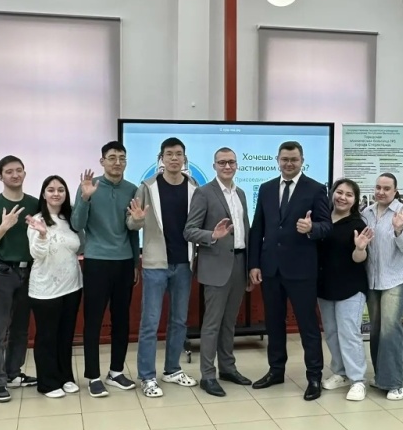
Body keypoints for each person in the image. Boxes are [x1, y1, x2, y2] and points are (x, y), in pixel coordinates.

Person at [249, 141, 332, 401]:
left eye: (294, 159)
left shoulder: (316, 189)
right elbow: (257, 228)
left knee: (308, 326)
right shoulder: (266, 188)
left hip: (302, 269)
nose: (289, 163)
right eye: (284, 159)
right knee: (274, 323)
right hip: (271, 269)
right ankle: (276, 371)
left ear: (302, 161)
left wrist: (312, 229)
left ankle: (314, 376)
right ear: (277, 160)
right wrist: (254, 264)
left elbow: (326, 226)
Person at [127, 138, 199, 398]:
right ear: (162, 158)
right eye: (169, 154)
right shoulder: (147, 187)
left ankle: (172, 369)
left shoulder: (193, 186)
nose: (174, 158)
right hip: (156, 264)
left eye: (179, 154)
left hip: (184, 263)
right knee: (150, 322)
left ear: (184, 158)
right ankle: (147, 376)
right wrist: (137, 220)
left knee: (179, 321)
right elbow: (132, 224)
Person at [184, 148, 253, 398]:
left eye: (231, 162)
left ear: (237, 165)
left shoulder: (241, 193)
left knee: (229, 322)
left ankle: (227, 368)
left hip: (239, 264)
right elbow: (189, 230)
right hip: (215, 267)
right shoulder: (204, 193)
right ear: (214, 166)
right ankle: (208, 375)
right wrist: (212, 235)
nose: (227, 166)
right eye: (222, 162)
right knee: (212, 324)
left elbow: (245, 229)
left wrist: (250, 266)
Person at [72, 141, 139, 397]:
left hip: (124, 262)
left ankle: (116, 372)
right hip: (97, 261)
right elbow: (77, 223)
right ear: (102, 161)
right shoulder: (89, 187)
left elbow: (132, 230)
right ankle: (92, 375)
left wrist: (135, 263)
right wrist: (85, 198)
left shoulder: (132, 189)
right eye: (112, 157)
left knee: (122, 319)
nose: (117, 162)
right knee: (93, 319)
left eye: (122, 157)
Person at [0, 156, 40, 402]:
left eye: (19, 170)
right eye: (9, 171)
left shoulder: (34, 203)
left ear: (24, 173)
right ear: (0, 176)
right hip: (2, 272)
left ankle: (14, 373)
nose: (15, 175)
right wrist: (4, 226)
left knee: (21, 328)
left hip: (29, 271)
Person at [362, 173, 403, 401]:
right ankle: (382, 377)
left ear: (395, 191)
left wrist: (399, 231)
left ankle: (395, 382)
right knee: (376, 329)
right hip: (373, 280)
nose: (381, 192)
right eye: (378, 187)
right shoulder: (366, 213)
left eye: (387, 188)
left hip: (397, 278)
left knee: (390, 328)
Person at [26, 176, 83, 398]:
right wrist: (42, 234)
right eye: (51, 190)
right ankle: (47, 383)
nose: (56, 193)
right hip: (45, 289)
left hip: (72, 286)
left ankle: (65, 377)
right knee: (47, 336)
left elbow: (77, 247)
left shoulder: (70, 219)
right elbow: (36, 254)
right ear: (43, 194)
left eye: (61, 190)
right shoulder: (37, 220)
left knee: (66, 335)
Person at [318, 179, 373, 402]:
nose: (342, 197)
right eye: (339, 192)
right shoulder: (322, 220)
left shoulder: (357, 224)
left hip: (350, 287)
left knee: (349, 333)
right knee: (331, 332)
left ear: (355, 200)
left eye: (349, 195)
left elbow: (359, 259)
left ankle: (358, 380)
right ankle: (340, 373)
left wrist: (360, 248)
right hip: (324, 286)